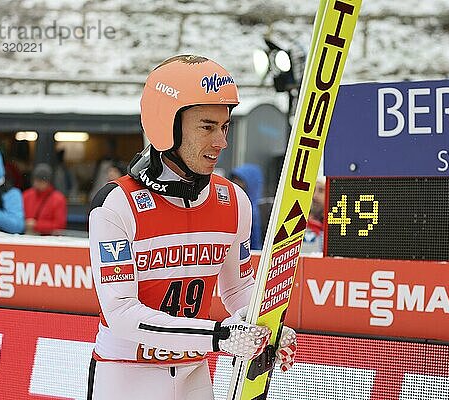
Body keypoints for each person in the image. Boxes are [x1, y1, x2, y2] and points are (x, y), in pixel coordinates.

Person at [87, 55, 296, 400]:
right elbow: (122, 312)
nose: (221, 142)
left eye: (224, 126)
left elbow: (237, 291)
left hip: (194, 375)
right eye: (207, 127)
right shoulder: (116, 203)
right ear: (165, 124)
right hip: (126, 376)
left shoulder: (234, 200)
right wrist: (218, 336)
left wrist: (267, 327)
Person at [22, 163, 68, 235]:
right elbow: (18, 217)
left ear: (48, 182)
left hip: (48, 240)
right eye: (36, 180)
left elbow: (59, 225)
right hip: (27, 237)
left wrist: (36, 225)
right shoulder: (26, 195)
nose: (37, 183)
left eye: (41, 181)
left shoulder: (58, 199)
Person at [229, 163, 264, 250]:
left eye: (240, 180)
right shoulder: (231, 205)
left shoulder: (253, 211)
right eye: (234, 180)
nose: (235, 183)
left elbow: (255, 244)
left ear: (251, 182)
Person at [302, 176, 325, 253]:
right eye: (313, 190)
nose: (314, 196)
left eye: (321, 190)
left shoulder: (338, 228)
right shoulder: (298, 227)